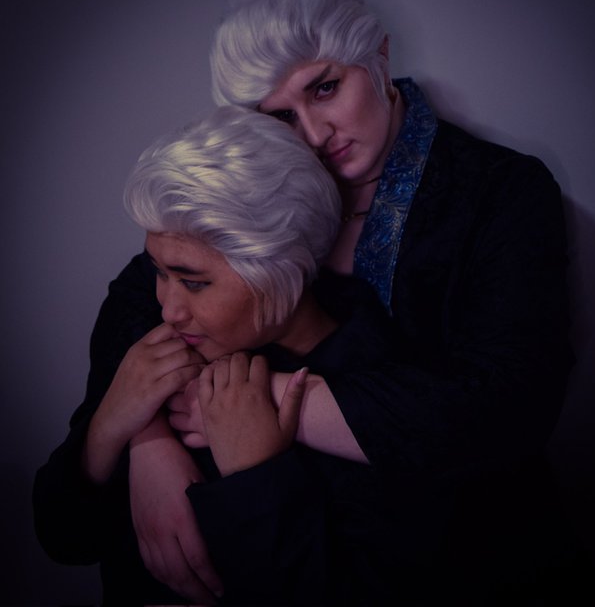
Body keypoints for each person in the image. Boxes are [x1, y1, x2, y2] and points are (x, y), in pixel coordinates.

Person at [35, 0, 595, 605]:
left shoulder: (497, 191)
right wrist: (146, 437)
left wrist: (261, 404)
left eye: (325, 88)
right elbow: (150, 287)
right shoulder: (259, 185)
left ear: (378, 55)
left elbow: (509, 405)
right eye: (279, 115)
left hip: (456, 533)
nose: (311, 134)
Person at [34, 105, 409, 605]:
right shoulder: (161, 346)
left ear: (283, 268)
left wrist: (257, 473)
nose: (168, 309)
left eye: (193, 282)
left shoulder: (379, 387)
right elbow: (63, 540)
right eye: (158, 273)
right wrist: (112, 428)